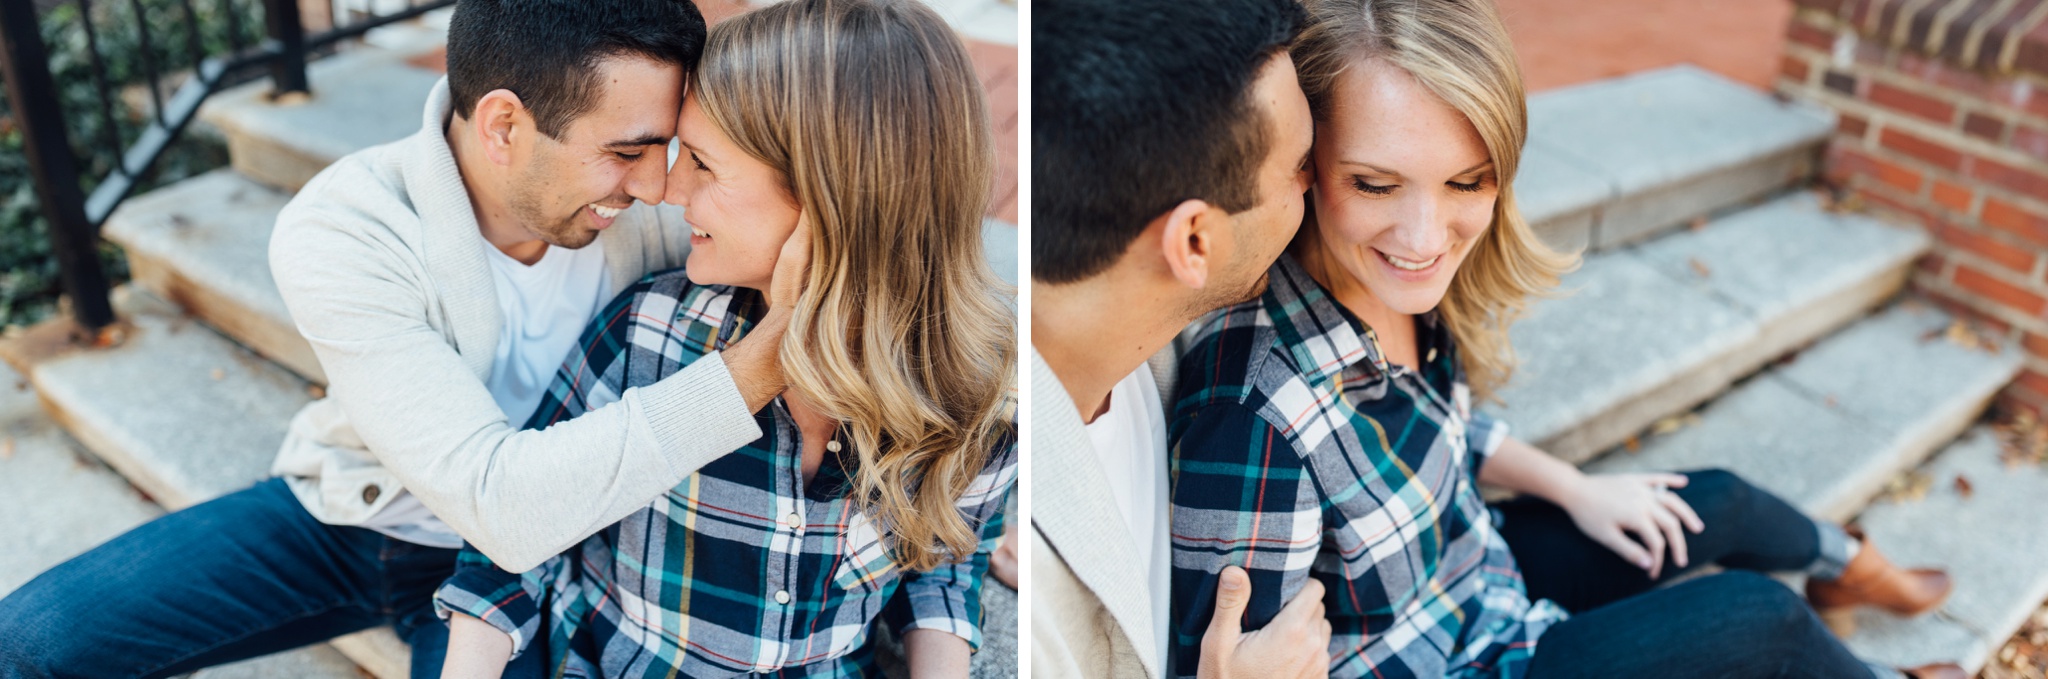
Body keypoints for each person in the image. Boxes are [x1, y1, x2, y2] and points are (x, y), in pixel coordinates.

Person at [1164, 1, 1965, 678]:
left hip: (1477, 577)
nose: (1424, 235)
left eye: (1465, 182)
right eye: (1375, 183)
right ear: (1307, 165)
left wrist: (1578, 489)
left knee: (1707, 502)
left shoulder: (1391, 289)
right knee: (1755, 616)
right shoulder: (1255, 423)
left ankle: (1855, 572)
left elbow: (1435, 429)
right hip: (1456, 660)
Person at [0, 2, 800, 677]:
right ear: (502, 125)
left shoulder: (659, 214)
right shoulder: (342, 226)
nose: (658, 186)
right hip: (356, 517)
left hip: (542, 566)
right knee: (32, 642)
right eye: (625, 152)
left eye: (663, 150)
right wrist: (768, 357)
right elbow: (498, 500)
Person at [432, 1, 1016, 676]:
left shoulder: (981, 396)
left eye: (702, 164)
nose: (666, 188)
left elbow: (945, 558)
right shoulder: (647, 332)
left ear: (830, 199)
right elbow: (513, 539)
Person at [1031, 0, 1333, 677]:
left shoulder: (1144, 329)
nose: (1318, 187)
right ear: (1195, 240)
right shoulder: (1038, 612)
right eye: (1301, 166)